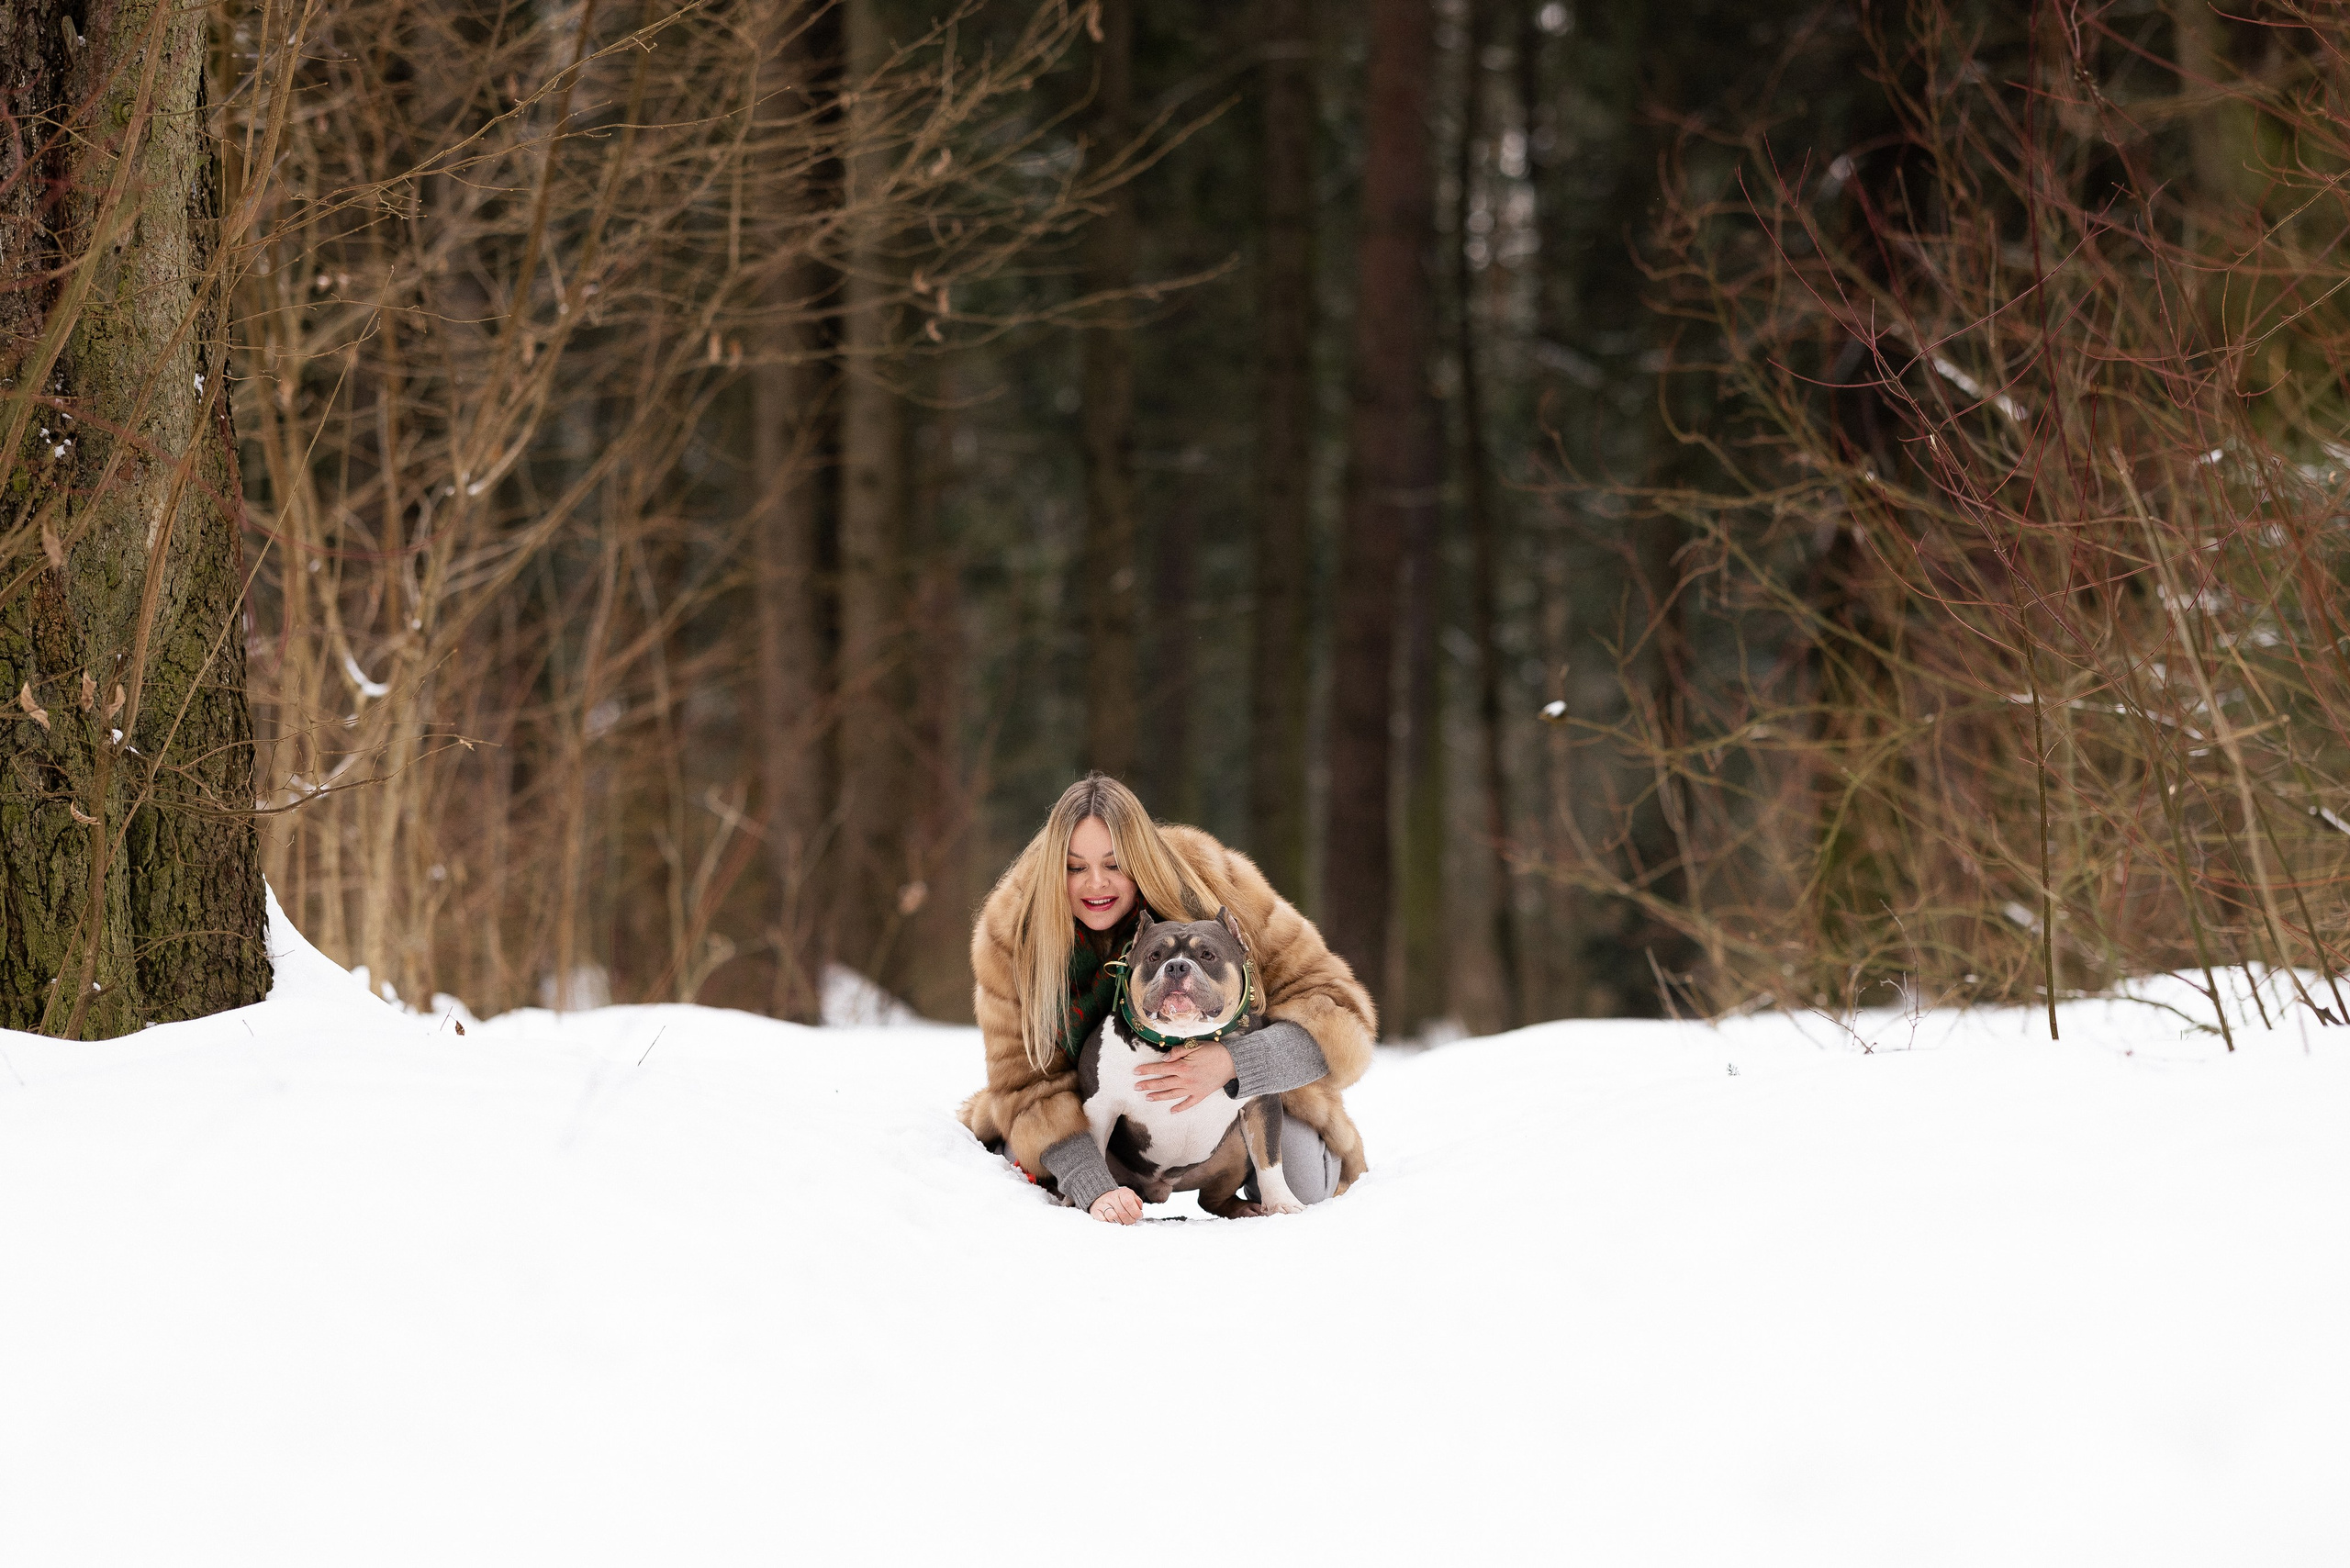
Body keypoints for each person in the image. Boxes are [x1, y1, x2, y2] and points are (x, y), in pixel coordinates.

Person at [959, 773, 1374, 1224]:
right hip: (1093, 1120)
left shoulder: (1214, 881)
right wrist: (1091, 1183)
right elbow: (1024, 1083)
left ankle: (1240, 1181)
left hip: (1234, 1104)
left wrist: (1237, 1062)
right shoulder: (1013, 933)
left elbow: (1336, 1010)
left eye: (1115, 864)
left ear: (1140, 857)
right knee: (1021, 1177)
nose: (1096, 883)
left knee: (1308, 1186)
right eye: (1075, 867)